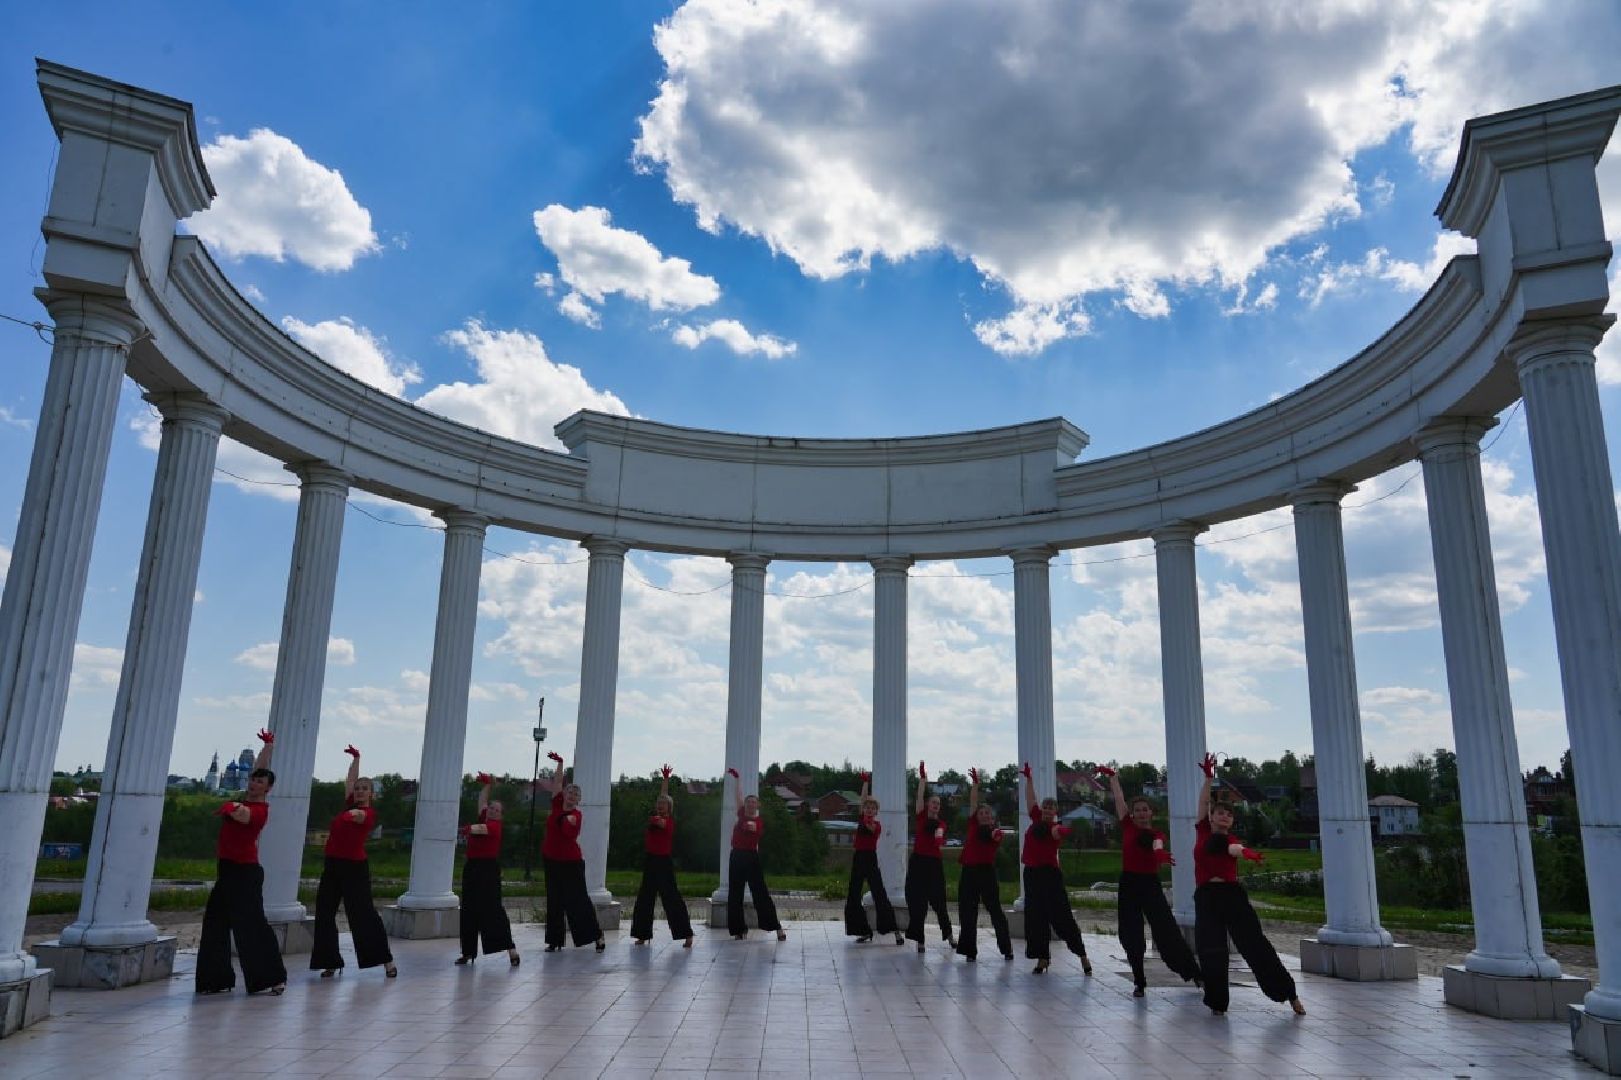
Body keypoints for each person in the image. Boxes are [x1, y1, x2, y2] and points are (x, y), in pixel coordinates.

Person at [1194, 752, 1305, 1016]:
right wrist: (1209, 778)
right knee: (1211, 949)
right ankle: (1217, 1003)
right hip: (1207, 896)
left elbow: (1233, 848)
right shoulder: (1202, 831)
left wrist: (1247, 853)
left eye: (1228, 815)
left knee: (1255, 944)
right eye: (1219, 813)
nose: (1224, 817)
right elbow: (1202, 802)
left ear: (1232, 820)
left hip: (1231, 896)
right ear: (1212, 817)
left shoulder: (1230, 839)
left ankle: (1289, 994)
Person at [195, 728, 287, 996]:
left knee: (252, 926)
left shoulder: (259, 811)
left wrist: (231, 808)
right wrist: (268, 746)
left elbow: (244, 814)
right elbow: (259, 768)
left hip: (245, 873)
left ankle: (272, 978)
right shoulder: (250, 793)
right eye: (253, 780)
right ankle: (216, 980)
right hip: (227, 871)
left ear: (268, 789)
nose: (254, 783)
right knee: (215, 924)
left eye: (260, 782)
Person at [1097, 764, 1200, 997]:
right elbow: (1119, 799)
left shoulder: (1156, 835)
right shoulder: (1127, 826)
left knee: (1167, 930)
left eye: (1146, 810)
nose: (1142, 813)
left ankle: (1193, 973)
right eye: (1138, 810)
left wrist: (1159, 853)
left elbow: (1157, 844)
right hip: (1129, 884)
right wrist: (1113, 778)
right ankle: (1139, 980)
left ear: (1151, 813)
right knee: (1131, 933)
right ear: (1133, 814)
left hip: (1150, 885)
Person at [310, 744, 396, 979]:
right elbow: (350, 780)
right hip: (333, 866)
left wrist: (351, 814)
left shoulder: (366, 814)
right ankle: (330, 961)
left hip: (354, 868)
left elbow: (358, 816)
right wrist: (357, 758)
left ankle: (386, 960)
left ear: (371, 794)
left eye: (364, 789)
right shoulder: (350, 803)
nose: (358, 791)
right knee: (324, 913)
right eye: (358, 788)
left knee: (362, 915)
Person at [1020, 762, 1091, 975]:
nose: (1048, 810)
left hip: (1050, 876)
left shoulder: (1054, 828)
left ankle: (1082, 955)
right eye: (1046, 807)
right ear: (1042, 809)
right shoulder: (1035, 819)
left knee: (1062, 916)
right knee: (1035, 918)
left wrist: (1065, 830)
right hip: (1032, 874)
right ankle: (1043, 959)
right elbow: (1030, 798)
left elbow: (1061, 831)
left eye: (1052, 808)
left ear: (1055, 812)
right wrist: (1029, 779)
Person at [541, 751, 604, 952]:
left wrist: (566, 820)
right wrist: (560, 764)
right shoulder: (557, 804)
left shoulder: (576, 815)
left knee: (578, 902)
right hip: (551, 859)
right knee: (554, 900)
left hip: (570, 863)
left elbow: (568, 833)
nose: (572, 795)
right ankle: (555, 940)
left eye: (576, 794)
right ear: (565, 795)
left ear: (578, 800)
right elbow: (557, 783)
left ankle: (597, 936)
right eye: (570, 792)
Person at [456, 770, 519, 967]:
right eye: (491, 808)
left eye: (496, 810)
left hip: (488, 871)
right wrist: (487, 784)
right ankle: (467, 953)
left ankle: (511, 949)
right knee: (468, 910)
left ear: (501, 815)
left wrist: (467, 828)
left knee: (493, 910)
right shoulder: (485, 817)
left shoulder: (494, 827)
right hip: (472, 869)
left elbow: (479, 829)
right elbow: (482, 802)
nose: (491, 810)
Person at [630, 764, 695, 947]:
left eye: (663, 804)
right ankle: (642, 935)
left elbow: (660, 818)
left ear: (669, 808)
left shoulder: (667, 822)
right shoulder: (657, 816)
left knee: (672, 899)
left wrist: (664, 792)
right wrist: (665, 780)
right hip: (650, 861)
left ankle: (687, 934)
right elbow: (663, 798)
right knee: (645, 898)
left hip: (663, 863)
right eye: (658, 804)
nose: (660, 806)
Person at [954, 768, 1013, 963]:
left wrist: (995, 833)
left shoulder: (995, 832)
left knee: (995, 910)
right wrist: (975, 784)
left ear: (992, 817)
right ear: (977, 816)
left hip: (986, 873)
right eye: (982, 812)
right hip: (969, 872)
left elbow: (994, 837)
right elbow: (972, 802)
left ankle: (1006, 949)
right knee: (967, 911)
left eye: (988, 813)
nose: (985, 815)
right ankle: (970, 950)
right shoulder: (972, 825)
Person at [725, 766, 787, 941]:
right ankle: (739, 930)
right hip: (736, 856)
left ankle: (777, 928)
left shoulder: (758, 822)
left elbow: (752, 828)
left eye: (754, 802)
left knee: (760, 893)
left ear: (758, 805)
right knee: (734, 894)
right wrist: (737, 780)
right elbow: (737, 797)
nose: (750, 804)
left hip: (751, 858)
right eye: (748, 802)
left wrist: (747, 825)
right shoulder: (741, 814)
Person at [844, 770, 902, 944]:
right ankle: (863, 931)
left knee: (879, 894)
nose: (869, 810)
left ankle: (895, 931)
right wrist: (865, 783)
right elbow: (862, 799)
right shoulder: (863, 818)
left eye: (872, 808)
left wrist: (867, 819)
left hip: (870, 859)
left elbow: (869, 829)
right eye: (867, 808)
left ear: (876, 811)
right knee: (853, 895)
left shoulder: (875, 826)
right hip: (858, 858)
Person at [904, 761, 953, 953]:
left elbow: (939, 835)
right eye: (933, 802)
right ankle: (920, 940)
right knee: (918, 904)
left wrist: (939, 839)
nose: (935, 805)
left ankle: (949, 936)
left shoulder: (941, 823)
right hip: (918, 862)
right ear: (927, 805)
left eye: (938, 804)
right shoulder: (921, 816)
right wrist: (922, 778)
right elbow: (918, 796)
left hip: (933, 864)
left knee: (939, 902)